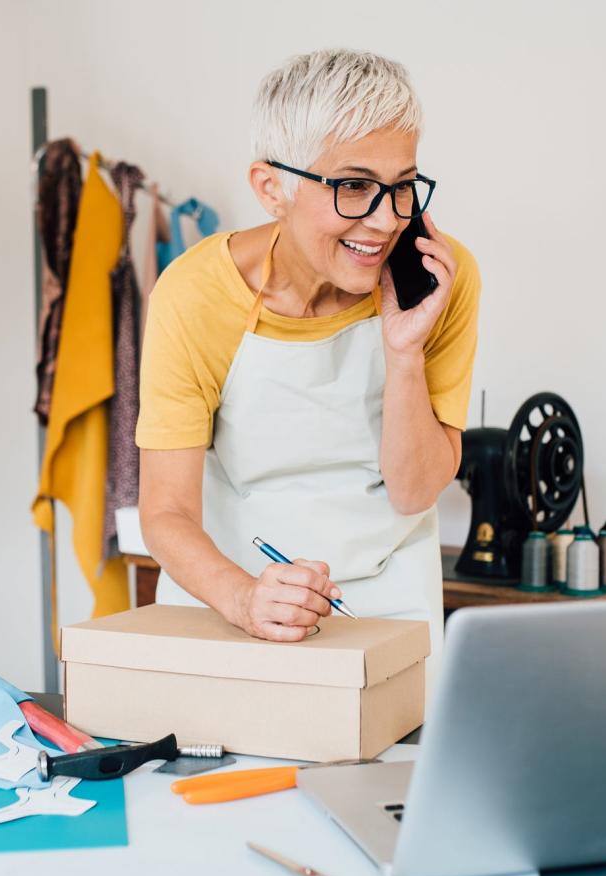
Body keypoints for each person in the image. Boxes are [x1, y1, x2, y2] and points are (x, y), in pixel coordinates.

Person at [136, 49, 480, 692]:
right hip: (234, 594)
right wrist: (243, 600)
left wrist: (404, 349)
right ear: (272, 189)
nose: (386, 220)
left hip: (388, 605)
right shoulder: (195, 296)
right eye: (353, 187)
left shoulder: (437, 277)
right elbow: (166, 511)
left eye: (403, 185)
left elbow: (414, 491)